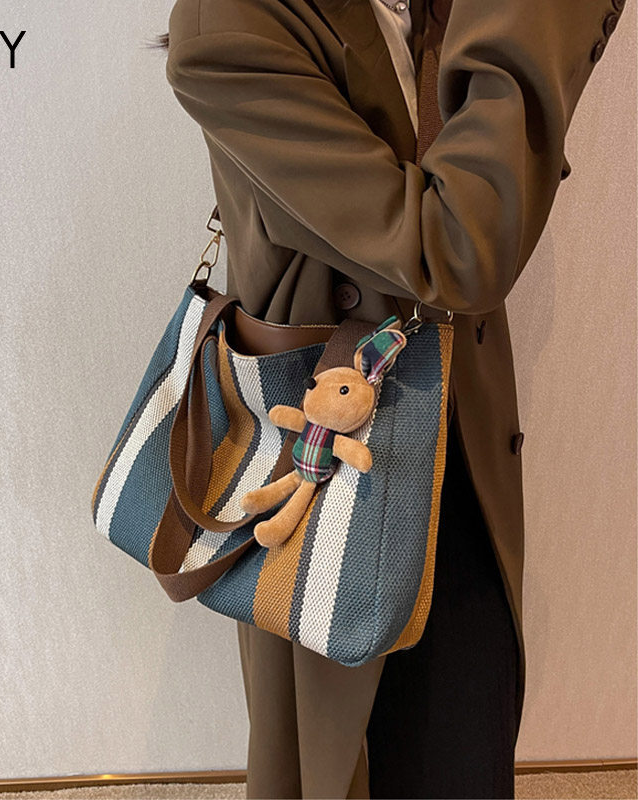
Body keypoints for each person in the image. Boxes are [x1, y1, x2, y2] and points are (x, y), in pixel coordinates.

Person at [153, 0, 627, 796]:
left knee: (465, 750)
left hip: (459, 458)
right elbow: (461, 246)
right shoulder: (230, 25)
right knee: (347, 759)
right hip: (331, 483)